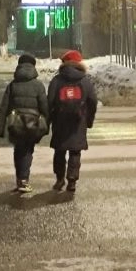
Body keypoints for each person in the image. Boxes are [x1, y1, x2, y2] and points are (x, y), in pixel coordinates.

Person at [0, 53, 49, 193]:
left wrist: (0, 128)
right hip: (32, 124)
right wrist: (47, 125)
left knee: (18, 150)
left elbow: (4, 107)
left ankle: (20, 179)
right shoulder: (38, 85)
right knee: (27, 151)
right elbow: (45, 107)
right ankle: (24, 180)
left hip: (15, 124)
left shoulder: (12, 85)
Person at [47, 49, 98, 193]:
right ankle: (72, 180)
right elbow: (93, 101)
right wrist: (89, 120)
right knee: (75, 152)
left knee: (59, 151)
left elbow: (49, 102)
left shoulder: (56, 81)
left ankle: (59, 179)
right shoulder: (85, 81)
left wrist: (48, 120)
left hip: (60, 121)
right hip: (78, 122)